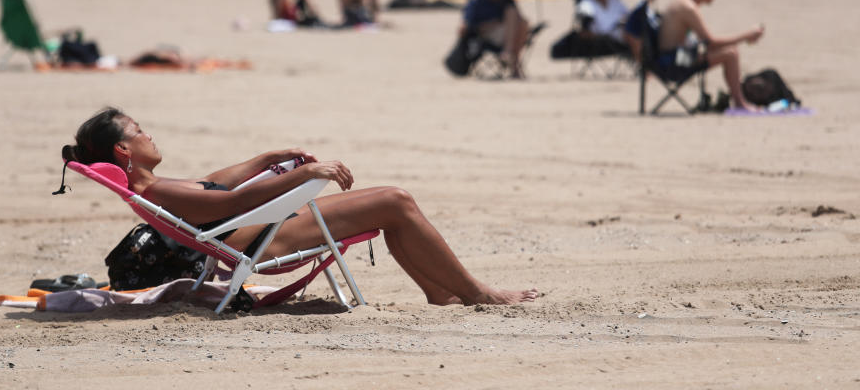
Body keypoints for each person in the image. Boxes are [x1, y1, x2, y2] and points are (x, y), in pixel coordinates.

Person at [61, 108, 539, 306]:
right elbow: (233, 200)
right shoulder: (158, 191)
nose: (148, 134)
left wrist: (270, 158)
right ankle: (479, 295)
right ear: (124, 151)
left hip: (260, 229)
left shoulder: (156, 185)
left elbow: (220, 183)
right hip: (267, 239)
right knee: (396, 200)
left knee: (394, 206)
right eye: (139, 131)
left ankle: (440, 293)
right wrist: (305, 174)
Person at [658, 0, 764, 111]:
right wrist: (747, 36)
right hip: (674, 63)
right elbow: (711, 43)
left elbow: (706, 43)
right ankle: (740, 103)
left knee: (729, 51)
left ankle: (739, 100)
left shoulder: (683, 3)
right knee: (731, 54)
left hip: (672, 58)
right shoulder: (688, 8)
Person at [461, 0, 529, 79]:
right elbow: (467, 26)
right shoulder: (477, 1)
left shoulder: (505, 0)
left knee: (519, 20)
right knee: (518, 22)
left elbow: (519, 20)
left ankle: (509, 55)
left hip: (508, 34)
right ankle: (513, 62)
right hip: (487, 36)